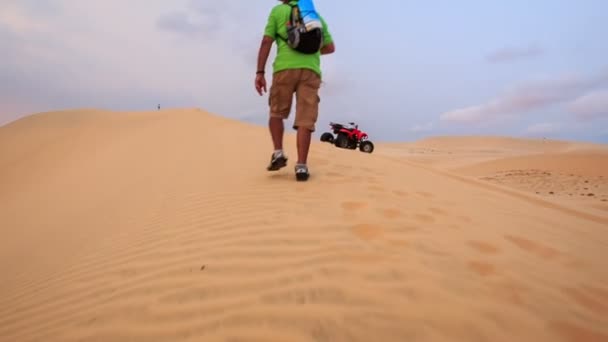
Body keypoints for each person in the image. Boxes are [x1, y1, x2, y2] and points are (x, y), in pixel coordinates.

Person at [255, 0, 335, 181]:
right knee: (306, 119)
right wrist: (310, 51)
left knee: (277, 112)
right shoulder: (316, 17)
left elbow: (267, 41)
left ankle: (278, 152)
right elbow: (330, 48)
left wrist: (260, 72)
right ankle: (301, 166)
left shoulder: (278, 11)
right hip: (311, 71)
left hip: (284, 68)